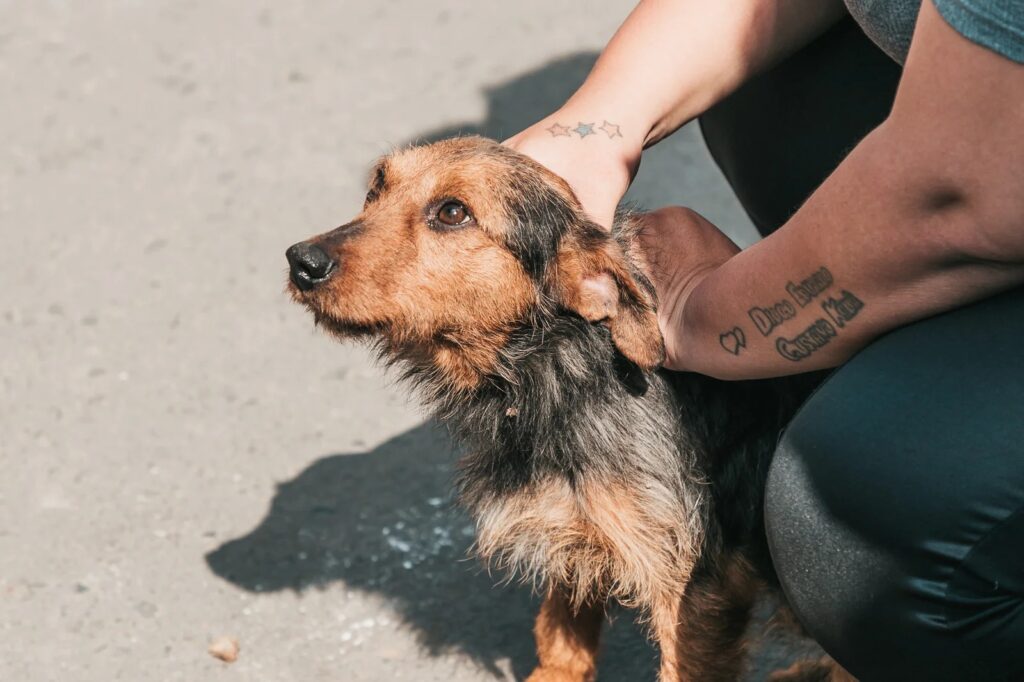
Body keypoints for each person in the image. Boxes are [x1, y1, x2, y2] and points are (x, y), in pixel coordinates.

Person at [505, 1, 1024, 679]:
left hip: (992, 182)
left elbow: (965, 194)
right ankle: (908, 356)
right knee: (753, 76)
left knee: (857, 531)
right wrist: (601, 124)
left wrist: (704, 310)